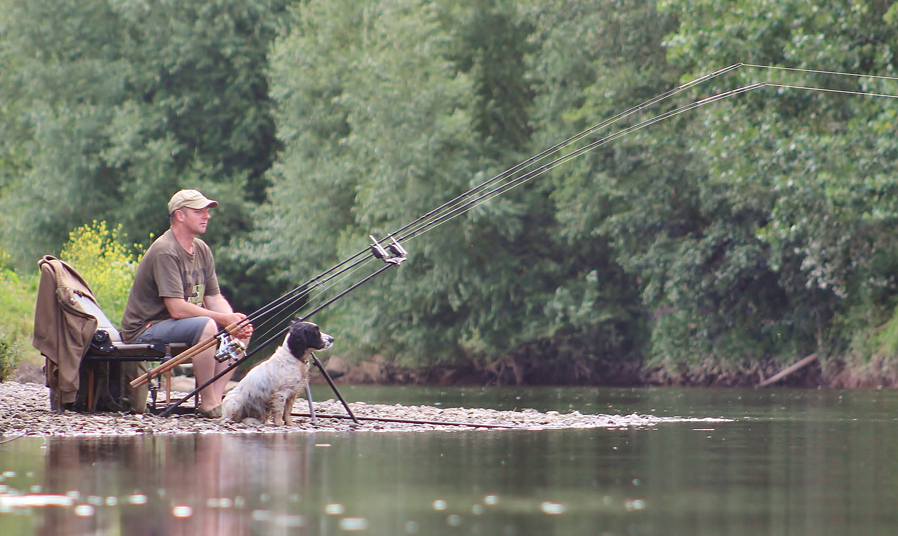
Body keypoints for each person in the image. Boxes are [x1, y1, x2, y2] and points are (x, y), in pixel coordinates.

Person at [121, 189, 253, 417]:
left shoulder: (201, 249)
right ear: (180, 215)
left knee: (240, 329)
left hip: (177, 324)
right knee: (207, 325)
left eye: (207, 211)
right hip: (146, 329)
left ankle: (214, 400)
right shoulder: (165, 250)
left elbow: (213, 297)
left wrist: (233, 322)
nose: (207, 216)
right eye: (199, 211)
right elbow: (177, 308)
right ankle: (209, 402)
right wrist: (223, 320)